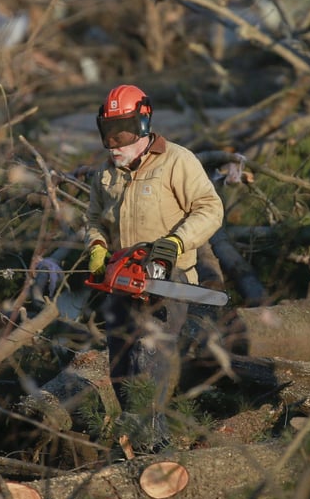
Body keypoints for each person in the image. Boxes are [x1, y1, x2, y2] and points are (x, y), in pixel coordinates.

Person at [84, 84, 224, 449]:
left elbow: (210, 208)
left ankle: (155, 441)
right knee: (120, 362)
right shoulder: (105, 174)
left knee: (149, 352)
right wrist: (97, 246)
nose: (115, 142)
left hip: (167, 276)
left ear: (143, 125)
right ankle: (133, 437)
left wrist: (176, 243)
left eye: (123, 132)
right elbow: (93, 220)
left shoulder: (177, 161)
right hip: (121, 280)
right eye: (108, 132)